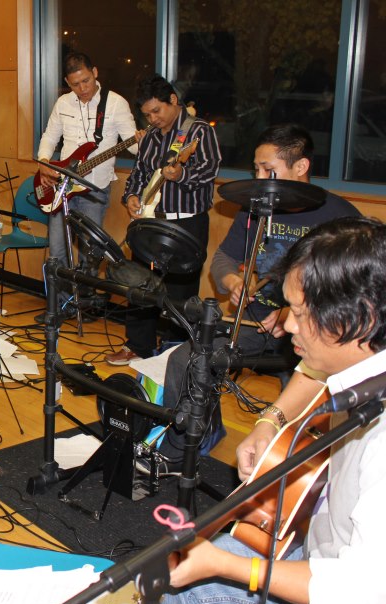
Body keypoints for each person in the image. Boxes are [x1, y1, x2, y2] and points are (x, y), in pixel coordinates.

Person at [157, 216, 386, 604]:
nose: (289, 325)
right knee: (188, 567)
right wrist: (270, 421)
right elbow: (314, 369)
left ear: (360, 318)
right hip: (322, 556)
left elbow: (365, 594)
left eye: (300, 312)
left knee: (194, 579)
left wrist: (230, 567)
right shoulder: (363, 358)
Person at [155, 124, 361, 468]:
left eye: (269, 170)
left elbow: (348, 295)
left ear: (301, 166)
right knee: (186, 358)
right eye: (256, 170)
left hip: (310, 332)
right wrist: (232, 280)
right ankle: (186, 446)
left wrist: (293, 312)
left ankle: (291, 467)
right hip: (252, 322)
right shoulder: (255, 209)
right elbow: (223, 258)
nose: (260, 178)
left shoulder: (339, 218)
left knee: (302, 402)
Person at [105, 74, 222, 366]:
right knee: (140, 285)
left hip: (186, 223)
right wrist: (131, 196)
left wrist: (182, 174)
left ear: (173, 100)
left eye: (156, 111)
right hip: (150, 222)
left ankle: (175, 352)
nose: (153, 119)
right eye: (147, 115)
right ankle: (137, 345)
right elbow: (139, 174)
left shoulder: (198, 131)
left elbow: (209, 170)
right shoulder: (150, 137)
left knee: (181, 292)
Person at [36, 52, 138, 319]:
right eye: (75, 84)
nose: (82, 89)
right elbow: (49, 137)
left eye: (86, 81)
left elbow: (134, 145)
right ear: (67, 83)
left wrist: (145, 141)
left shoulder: (115, 103)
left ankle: (85, 304)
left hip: (95, 189)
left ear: (95, 73)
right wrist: (44, 162)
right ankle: (59, 309)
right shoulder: (63, 103)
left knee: (91, 252)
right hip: (63, 188)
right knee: (57, 252)